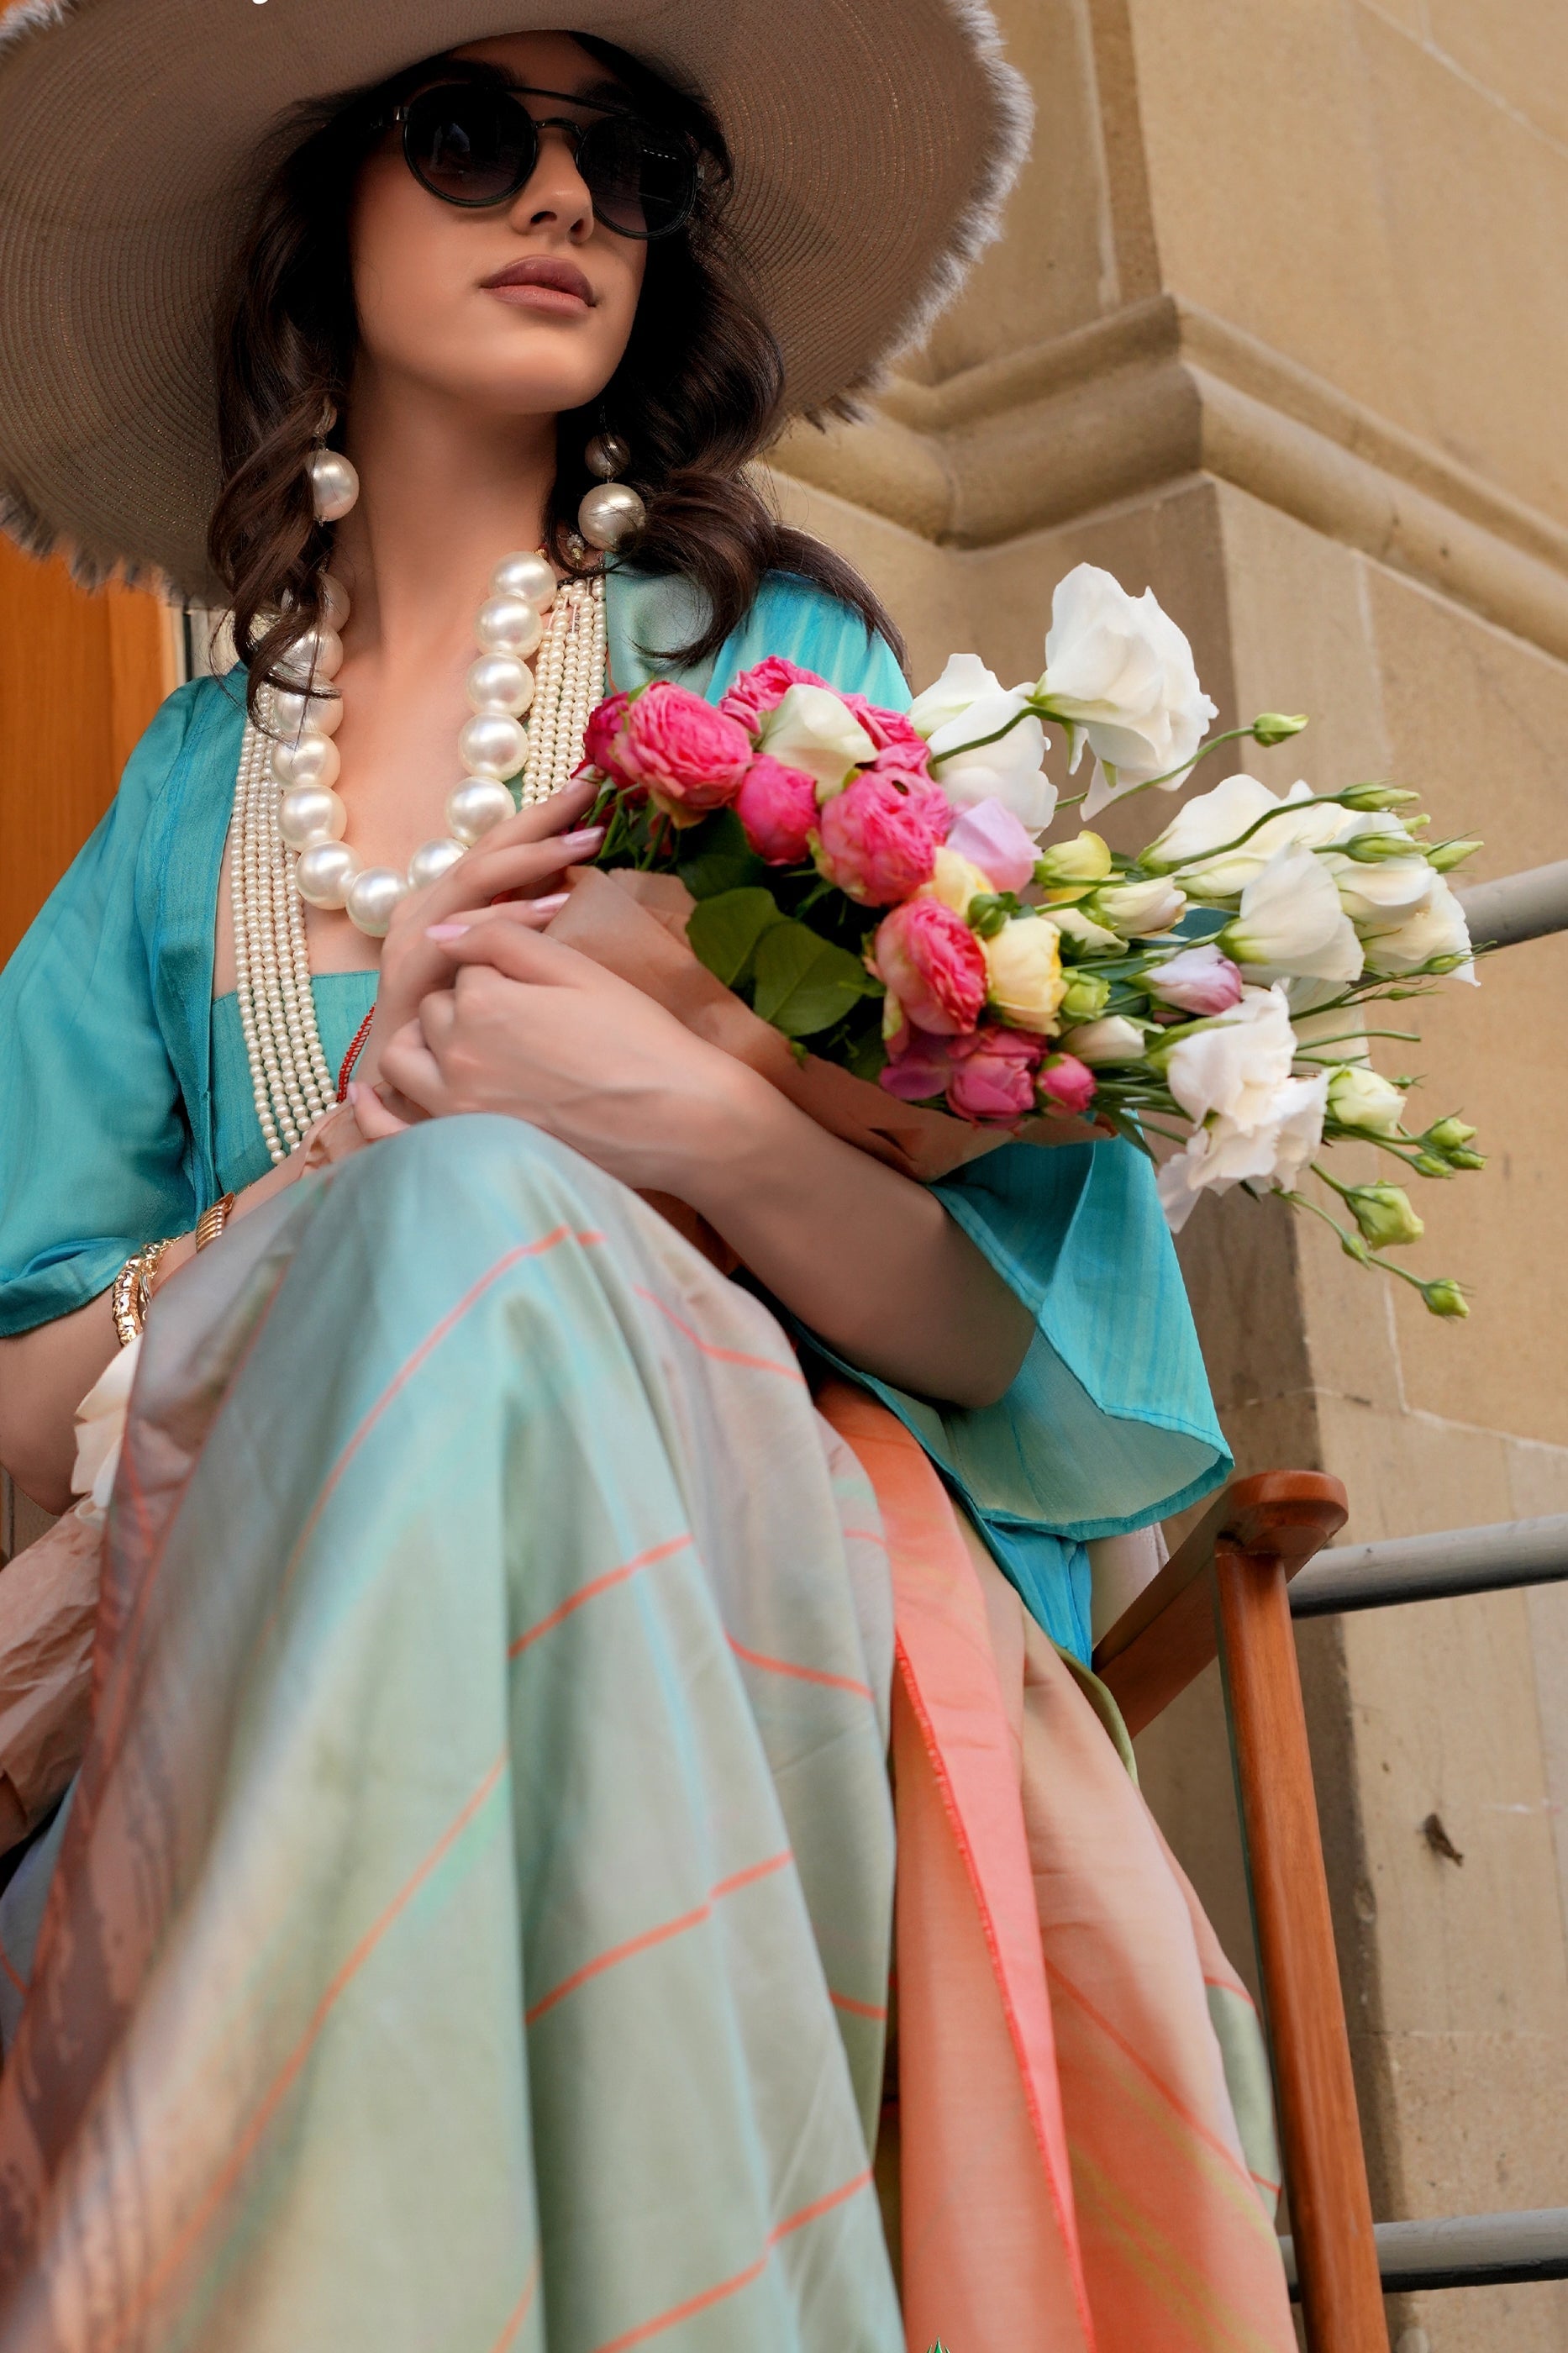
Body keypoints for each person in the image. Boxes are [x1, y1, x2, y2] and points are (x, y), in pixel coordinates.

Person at [0, 6, 1297, 2346]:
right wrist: (353, 1151)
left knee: (486, 1229)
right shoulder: (183, 799)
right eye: (480, 135)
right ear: (319, 223)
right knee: (436, 1216)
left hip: (732, 1569)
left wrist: (674, 1123)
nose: (569, 203)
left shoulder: (785, 679)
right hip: (200, 1603)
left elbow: (1030, 1345)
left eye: (640, 163)